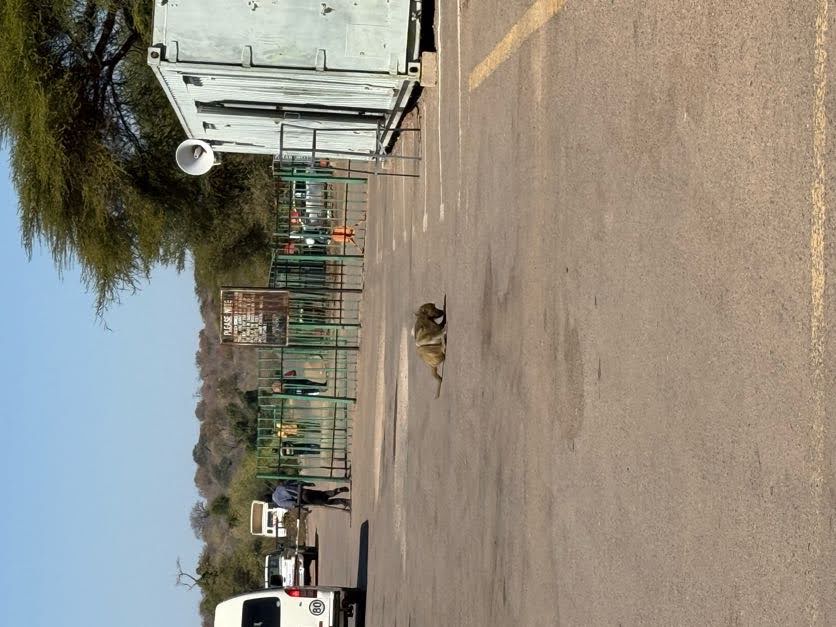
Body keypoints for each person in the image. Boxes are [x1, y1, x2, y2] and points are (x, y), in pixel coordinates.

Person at [269, 480, 350, 510]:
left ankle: (344, 501)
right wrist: (306, 484)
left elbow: (293, 504)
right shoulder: (279, 487)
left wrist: (303, 508)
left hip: (303, 498)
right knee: (323, 494)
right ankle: (337, 490)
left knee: (325, 501)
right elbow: (293, 482)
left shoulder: (279, 502)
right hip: (304, 491)